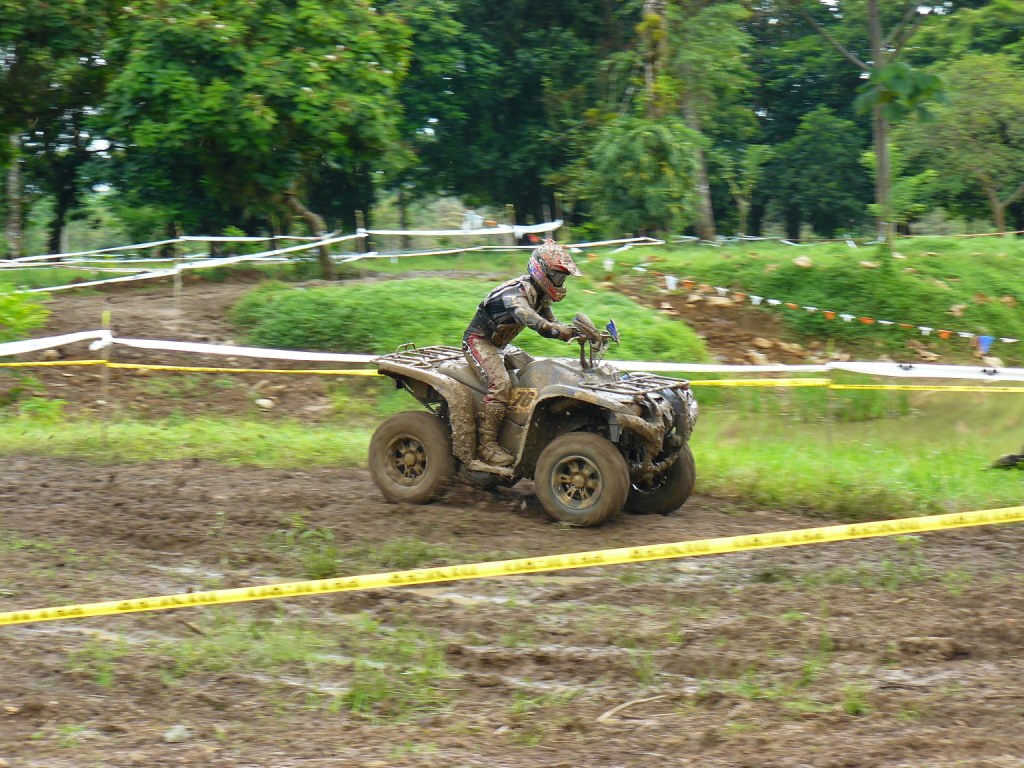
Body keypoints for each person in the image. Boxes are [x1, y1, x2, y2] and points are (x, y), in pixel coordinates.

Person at [462, 239, 582, 466]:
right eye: (558, 277)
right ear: (542, 271)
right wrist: (553, 328)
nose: (561, 282)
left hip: (501, 345)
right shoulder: (515, 293)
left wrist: (573, 333)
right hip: (479, 341)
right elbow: (526, 316)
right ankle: (487, 445)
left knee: (536, 373)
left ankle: (517, 429)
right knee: (500, 384)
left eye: (563, 278)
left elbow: (549, 326)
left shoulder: (540, 295)